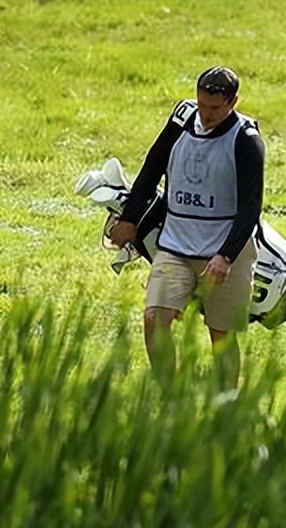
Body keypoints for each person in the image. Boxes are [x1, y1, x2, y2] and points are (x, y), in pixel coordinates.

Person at [108, 66, 265, 391]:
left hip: (223, 253)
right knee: (154, 319)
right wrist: (129, 219)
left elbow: (250, 207)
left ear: (233, 102)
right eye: (202, 105)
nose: (206, 115)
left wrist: (225, 256)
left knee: (221, 334)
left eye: (215, 109)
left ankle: (226, 403)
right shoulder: (182, 121)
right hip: (176, 246)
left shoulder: (246, 140)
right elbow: (152, 168)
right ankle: (170, 395)